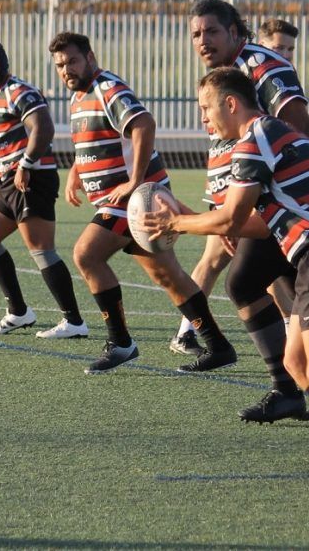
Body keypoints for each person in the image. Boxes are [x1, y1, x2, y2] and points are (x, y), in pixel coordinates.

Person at [144, 67, 309, 489]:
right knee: (297, 363)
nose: (203, 118)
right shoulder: (272, 134)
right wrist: (189, 218)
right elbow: (256, 223)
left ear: (230, 103)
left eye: (206, 108)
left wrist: (176, 223)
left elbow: (232, 218)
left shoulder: (255, 139)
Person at [48, 31, 237, 374]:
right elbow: (99, 138)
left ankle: (120, 343)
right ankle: (219, 346)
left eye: (72, 61)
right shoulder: (78, 97)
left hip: (136, 198)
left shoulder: (107, 88)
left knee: (86, 254)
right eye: (60, 65)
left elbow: (143, 124)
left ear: (90, 57)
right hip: (122, 200)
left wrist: (135, 181)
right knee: (168, 275)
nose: (66, 70)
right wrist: (77, 170)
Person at [181, 0, 309, 423]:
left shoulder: (263, 64)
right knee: (289, 293)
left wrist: (252, 203)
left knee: (249, 284)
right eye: (196, 34)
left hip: (282, 205)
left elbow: (300, 127)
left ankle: (298, 389)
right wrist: (228, 206)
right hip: (258, 204)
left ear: (236, 32)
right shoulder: (222, 77)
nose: (203, 41)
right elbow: (228, 148)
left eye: (211, 31)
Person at [0, 40, 88, 338]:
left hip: (32, 179)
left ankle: (74, 321)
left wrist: (25, 163)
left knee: (41, 250)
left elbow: (43, 128)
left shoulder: (18, 91)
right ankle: (18, 312)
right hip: (8, 181)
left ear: (3, 64)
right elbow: (7, 137)